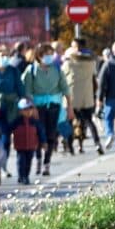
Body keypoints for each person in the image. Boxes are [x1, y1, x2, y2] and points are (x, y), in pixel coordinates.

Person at [21, 47, 67, 176]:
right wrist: (33, 107)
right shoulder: (31, 71)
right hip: (38, 107)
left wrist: (69, 106)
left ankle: (47, 163)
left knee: (51, 135)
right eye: (47, 55)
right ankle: (39, 159)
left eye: (51, 54)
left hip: (53, 106)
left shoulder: (57, 69)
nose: (50, 57)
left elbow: (65, 88)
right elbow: (28, 91)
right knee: (39, 135)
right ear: (39, 56)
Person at [65, 39, 102, 155]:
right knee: (88, 121)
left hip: (73, 97)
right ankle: (97, 143)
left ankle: (70, 145)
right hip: (87, 97)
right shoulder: (91, 63)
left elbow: (63, 76)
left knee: (70, 121)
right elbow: (94, 77)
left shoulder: (69, 63)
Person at [10, 99, 44, 186]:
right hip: (20, 146)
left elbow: (40, 132)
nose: (28, 112)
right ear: (20, 111)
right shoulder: (17, 122)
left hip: (31, 146)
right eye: (25, 109)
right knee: (21, 162)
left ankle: (26, 175)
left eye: (30, 109)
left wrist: (43, 142)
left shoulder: (35, 122)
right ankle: (22, 176)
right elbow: (9, 130)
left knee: (28, 162)